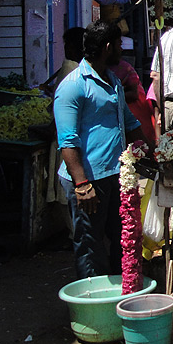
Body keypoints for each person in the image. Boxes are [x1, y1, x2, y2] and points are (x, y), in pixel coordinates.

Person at [54, 20, 142, 279]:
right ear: (107, 47)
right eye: (117, 45)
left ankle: (120, 293)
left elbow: (129, 120)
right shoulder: (73, 85)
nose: (121, 50)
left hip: (115, 175)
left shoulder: (112, 79)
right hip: (89, 181)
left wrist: (153, 151)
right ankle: (92, 304)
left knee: (121, 238)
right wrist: (82, 184)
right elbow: (67, 140)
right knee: (90, 246)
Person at [112, 37, 156, 148]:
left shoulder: (125, 68)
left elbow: (134, 94)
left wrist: (112, 97)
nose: (121, 50)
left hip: (136, 117)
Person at [40, 26, 86, 96]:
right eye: (66, 45)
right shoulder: (76, 66)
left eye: (70, 46)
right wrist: (51, 88)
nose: (67, 50)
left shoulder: (71, 67)